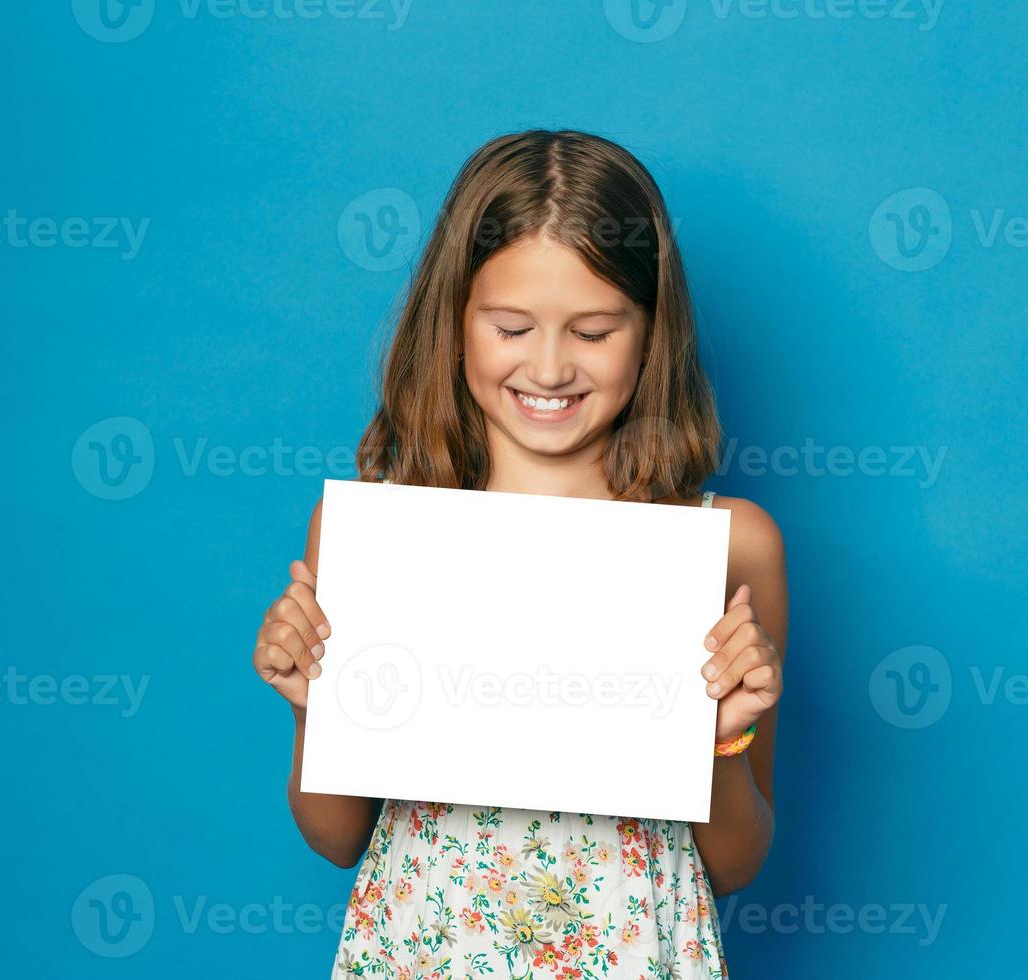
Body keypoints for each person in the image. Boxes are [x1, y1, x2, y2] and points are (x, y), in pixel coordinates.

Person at [254, 129, 787, 979]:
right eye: (511, 326)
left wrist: (721, 741)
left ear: (651, 333)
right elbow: (335, 837)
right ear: (456, 322)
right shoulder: (377, 537)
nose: (548, 366)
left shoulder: (730, 546)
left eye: (594, 330)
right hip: (427, 952)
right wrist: (310, 708)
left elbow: (735, 864)